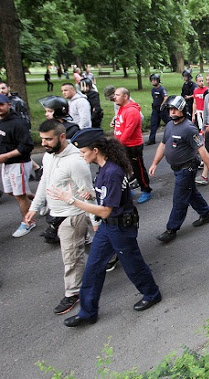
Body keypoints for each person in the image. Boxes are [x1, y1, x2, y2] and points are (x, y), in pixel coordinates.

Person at [46, 128, 162, 327]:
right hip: (109, 228)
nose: (81, 155)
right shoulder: (105, 168)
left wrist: (71, 200)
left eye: (83, 152)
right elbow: (106, 199)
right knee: (93, 269)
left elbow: (106, 211)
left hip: (119, 228)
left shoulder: (111, 172)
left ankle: (152, 294)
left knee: (133, 266)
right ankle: (88, 312)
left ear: (96, 150)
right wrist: (90, 195)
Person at [24, 120, 94, 315]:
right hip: (56, 213)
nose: (44, 143)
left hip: (72, 215)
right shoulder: (49, 156)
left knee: (71, 257)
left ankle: (73, 293)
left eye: (48, 139)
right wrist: (34, 207)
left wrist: (95, 220)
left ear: (62, 137)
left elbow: (88, 193)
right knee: (84, 244)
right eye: (42, 139)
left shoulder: (76, 161)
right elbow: (45, 181)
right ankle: (111, 254)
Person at [149, 96, 209, 243]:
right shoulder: (169, 125)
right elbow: (162, 145)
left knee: (180, 199)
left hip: (187, 169)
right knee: (190, 192)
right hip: (176, 168)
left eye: (175, 109)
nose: (172, 112)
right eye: (170, 109)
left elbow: (202, 150)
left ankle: (171, 229)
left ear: (182, 110)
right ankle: (205, 214)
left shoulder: (189, 128)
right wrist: (155, 163)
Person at [0, 94, 35, 237]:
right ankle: (39, 200)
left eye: (1, 105)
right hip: (6, 164)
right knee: (11, 192)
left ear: (8, 104)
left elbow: (27, 145)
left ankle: (28, 222)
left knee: (19, 195)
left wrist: (6, 156)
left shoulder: (18, 123)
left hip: (18, 163)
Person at [113, 87, 153, 203]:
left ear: (125, 96)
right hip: (122, 145)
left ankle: (146, 190)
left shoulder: (132, 111)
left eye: (117, 95)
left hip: (133, 146)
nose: (114, 97)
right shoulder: (122, 108)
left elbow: (129, 131)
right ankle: (127, 190)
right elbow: (121, 124)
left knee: (138, 169)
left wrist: (117, 144)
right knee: (123, 168)